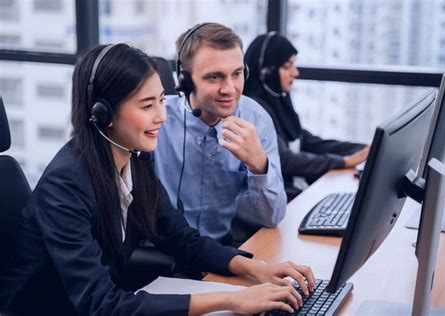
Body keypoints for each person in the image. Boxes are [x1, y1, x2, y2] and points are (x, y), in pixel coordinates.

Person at [0, 43, 315, 315]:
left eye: (162, 100)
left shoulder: (132, 161)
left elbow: (180, 237)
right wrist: (234, 299)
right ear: (103, 114)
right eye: (147, 105)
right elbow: (101, 305)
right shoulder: (65, 185)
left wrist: (258, 268)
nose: (162, 116)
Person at [154, 23, 286, 244]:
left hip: (221, 250)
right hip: (161, 253)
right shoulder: (157, 120)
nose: (230, 89)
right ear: (185, 81)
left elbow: (273, 218)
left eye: (237, 74)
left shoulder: (256, 119)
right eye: (214, 77)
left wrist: (259, 165)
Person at [244, 33, 370, 200]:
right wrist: (343, 162)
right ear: (267, 72)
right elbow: (286, 160)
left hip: (296, 191)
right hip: (281, 199)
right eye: (287, 66)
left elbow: (308, 141)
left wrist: (364, 149)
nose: (295, 73)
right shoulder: (254, 111)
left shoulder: (278, 101)